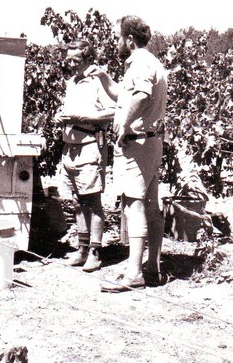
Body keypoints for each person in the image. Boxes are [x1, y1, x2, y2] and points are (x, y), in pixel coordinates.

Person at [90, 16, 168, 293]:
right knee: (150, 205)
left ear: (129, 39)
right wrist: (103, 77)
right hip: (150, 141)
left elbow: (141, 95)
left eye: (117, 37)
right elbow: (124, 96)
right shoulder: (150, 62)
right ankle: (153, 267)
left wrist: (123, 123)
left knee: (132, 205)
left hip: (137, 144)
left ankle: (134, 273)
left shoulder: (140, 63)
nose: (116, 42)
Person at [54, 41, 118, 272]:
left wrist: (80, 117)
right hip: (69, 148)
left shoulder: (98, 81)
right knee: (76, 202)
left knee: (92, 202)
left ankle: (95, 251)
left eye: (76, 60)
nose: (70, 64)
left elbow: (114, 111)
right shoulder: (72, 82)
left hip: (90, 146)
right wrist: (61, 116)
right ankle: (81, 249)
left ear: (89, 58)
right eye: (68, 60)